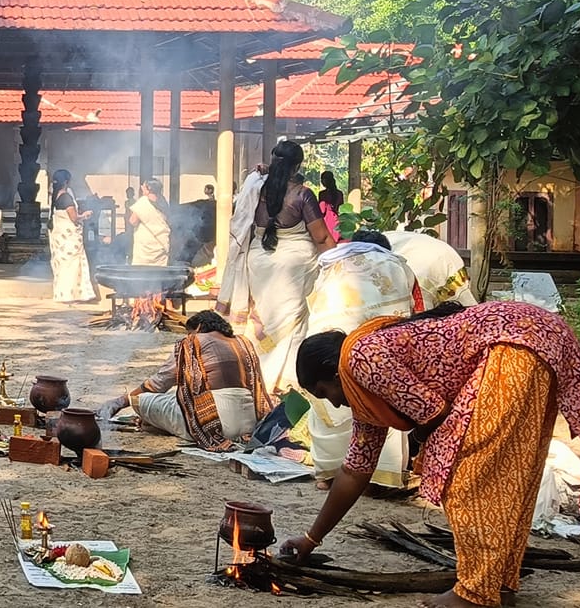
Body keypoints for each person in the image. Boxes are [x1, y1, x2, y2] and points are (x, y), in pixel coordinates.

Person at [279, 302, 580, 608]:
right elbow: (355, 472)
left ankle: (475, 594)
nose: (335, 403)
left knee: (466, 477)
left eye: (326, 393)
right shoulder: (365, 389)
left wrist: (430, 450)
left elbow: (434, 415)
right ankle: (498, 587)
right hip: (536, 337)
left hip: (513, 344)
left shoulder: (361, 359)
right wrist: (311, 539)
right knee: (510, 478)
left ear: (335, 372)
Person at [302, 230, 422, 488]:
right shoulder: (398, 266)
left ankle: (328, 473)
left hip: (325, 346)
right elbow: (415, 312)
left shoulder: (330, 264)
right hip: (377, 349)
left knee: (327, 408)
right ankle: (382, 476)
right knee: (382, 403)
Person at [221, 141, 334, 388]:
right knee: (292, 326)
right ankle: (282, 381)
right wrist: (341, 264)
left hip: (259, 260)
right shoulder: (302, 194)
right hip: (294, 264)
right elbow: (322, 237)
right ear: (298, 166)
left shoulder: (256, 187)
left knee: (262, 319)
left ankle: (254, 376)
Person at [100, 311, 268, 451]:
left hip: (213, 426)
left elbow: (159, 383)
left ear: (199, 328)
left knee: (143, 401)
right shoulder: (244, 343)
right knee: (177, 397)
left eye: (190, 332)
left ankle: (159, 423)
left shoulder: (193, 343)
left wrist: (122, 401)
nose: (188, 337)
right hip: (249, 425)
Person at [385, 230, 475, 307]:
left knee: (421, 319)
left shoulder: (375, 250)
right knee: (464, 308)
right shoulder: (387, 237)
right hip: (447, 254)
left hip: (420, 267)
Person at [49, 169, 95, 303]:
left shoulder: (55, 196)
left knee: (63, 266)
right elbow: (74, 218)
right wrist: (85, 215)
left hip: (60, 237)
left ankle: (62, 294)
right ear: (66, 182)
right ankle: (71, 295)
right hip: (69, 239)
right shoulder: (66, 198)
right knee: (71, 265)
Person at [128, 178, 171, 266]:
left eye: (143, 186)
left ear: (149, 188)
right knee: (158, 273)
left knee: (142, 272)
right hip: (161, 243)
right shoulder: (164, 202)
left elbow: (133, 221)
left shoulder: (143, 202)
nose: (141, 188)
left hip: (145, 245)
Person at [318, 170, 345, 241]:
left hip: (327, 222)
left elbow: (322, 210)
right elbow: (341, 208)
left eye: (322, 179)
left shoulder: (322, 194)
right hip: (337, 221)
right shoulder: (339, 193)